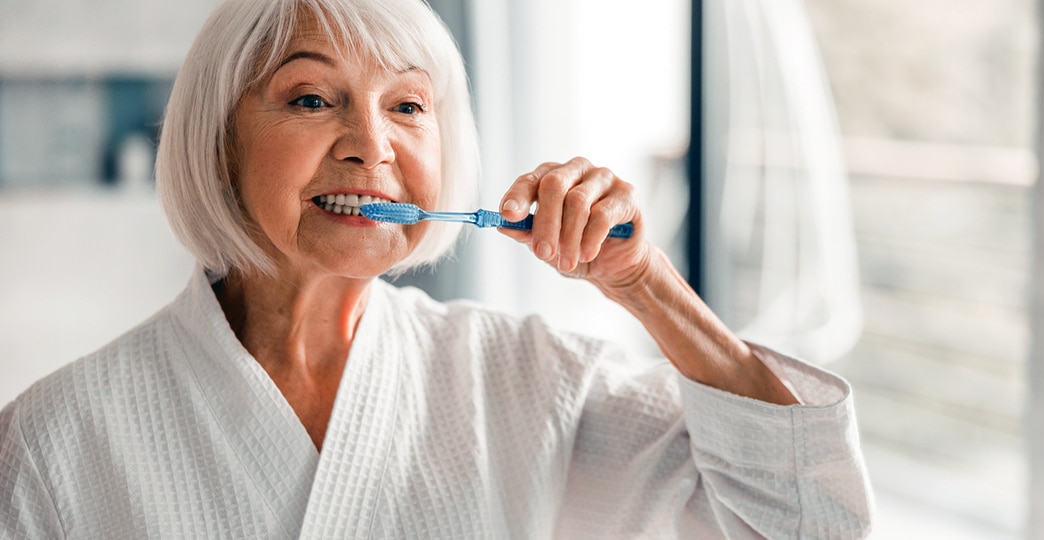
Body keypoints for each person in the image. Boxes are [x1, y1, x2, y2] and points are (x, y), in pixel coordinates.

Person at [0, 0, 873, 537]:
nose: (370, 146)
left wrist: (645, 284)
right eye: (311, 99)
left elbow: (807, 524)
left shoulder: (537, 381)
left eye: (408, 106)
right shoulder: (55, 438)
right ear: (218, 143)